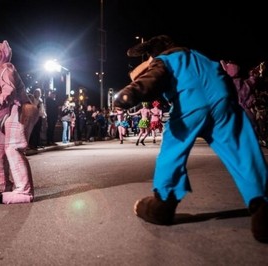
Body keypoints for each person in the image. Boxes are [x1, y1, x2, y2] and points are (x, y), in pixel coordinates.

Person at [113, 34, 268, 243]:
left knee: (174, 146)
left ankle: (164, 203)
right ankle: (263, 207)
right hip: (223, 100)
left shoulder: (166, 60)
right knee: (241, 147)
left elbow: (153, 78)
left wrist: (130, 93)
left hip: (190, 103)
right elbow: (222, 76)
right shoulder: (199, 56)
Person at [0, 40, 38, 204]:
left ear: (5, 52)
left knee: (13, 147)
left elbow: (8, 87)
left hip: (18, 110)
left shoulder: (6, 67)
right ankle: (2, 183)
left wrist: (1, 99)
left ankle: (24, 191)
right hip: (10, 114)